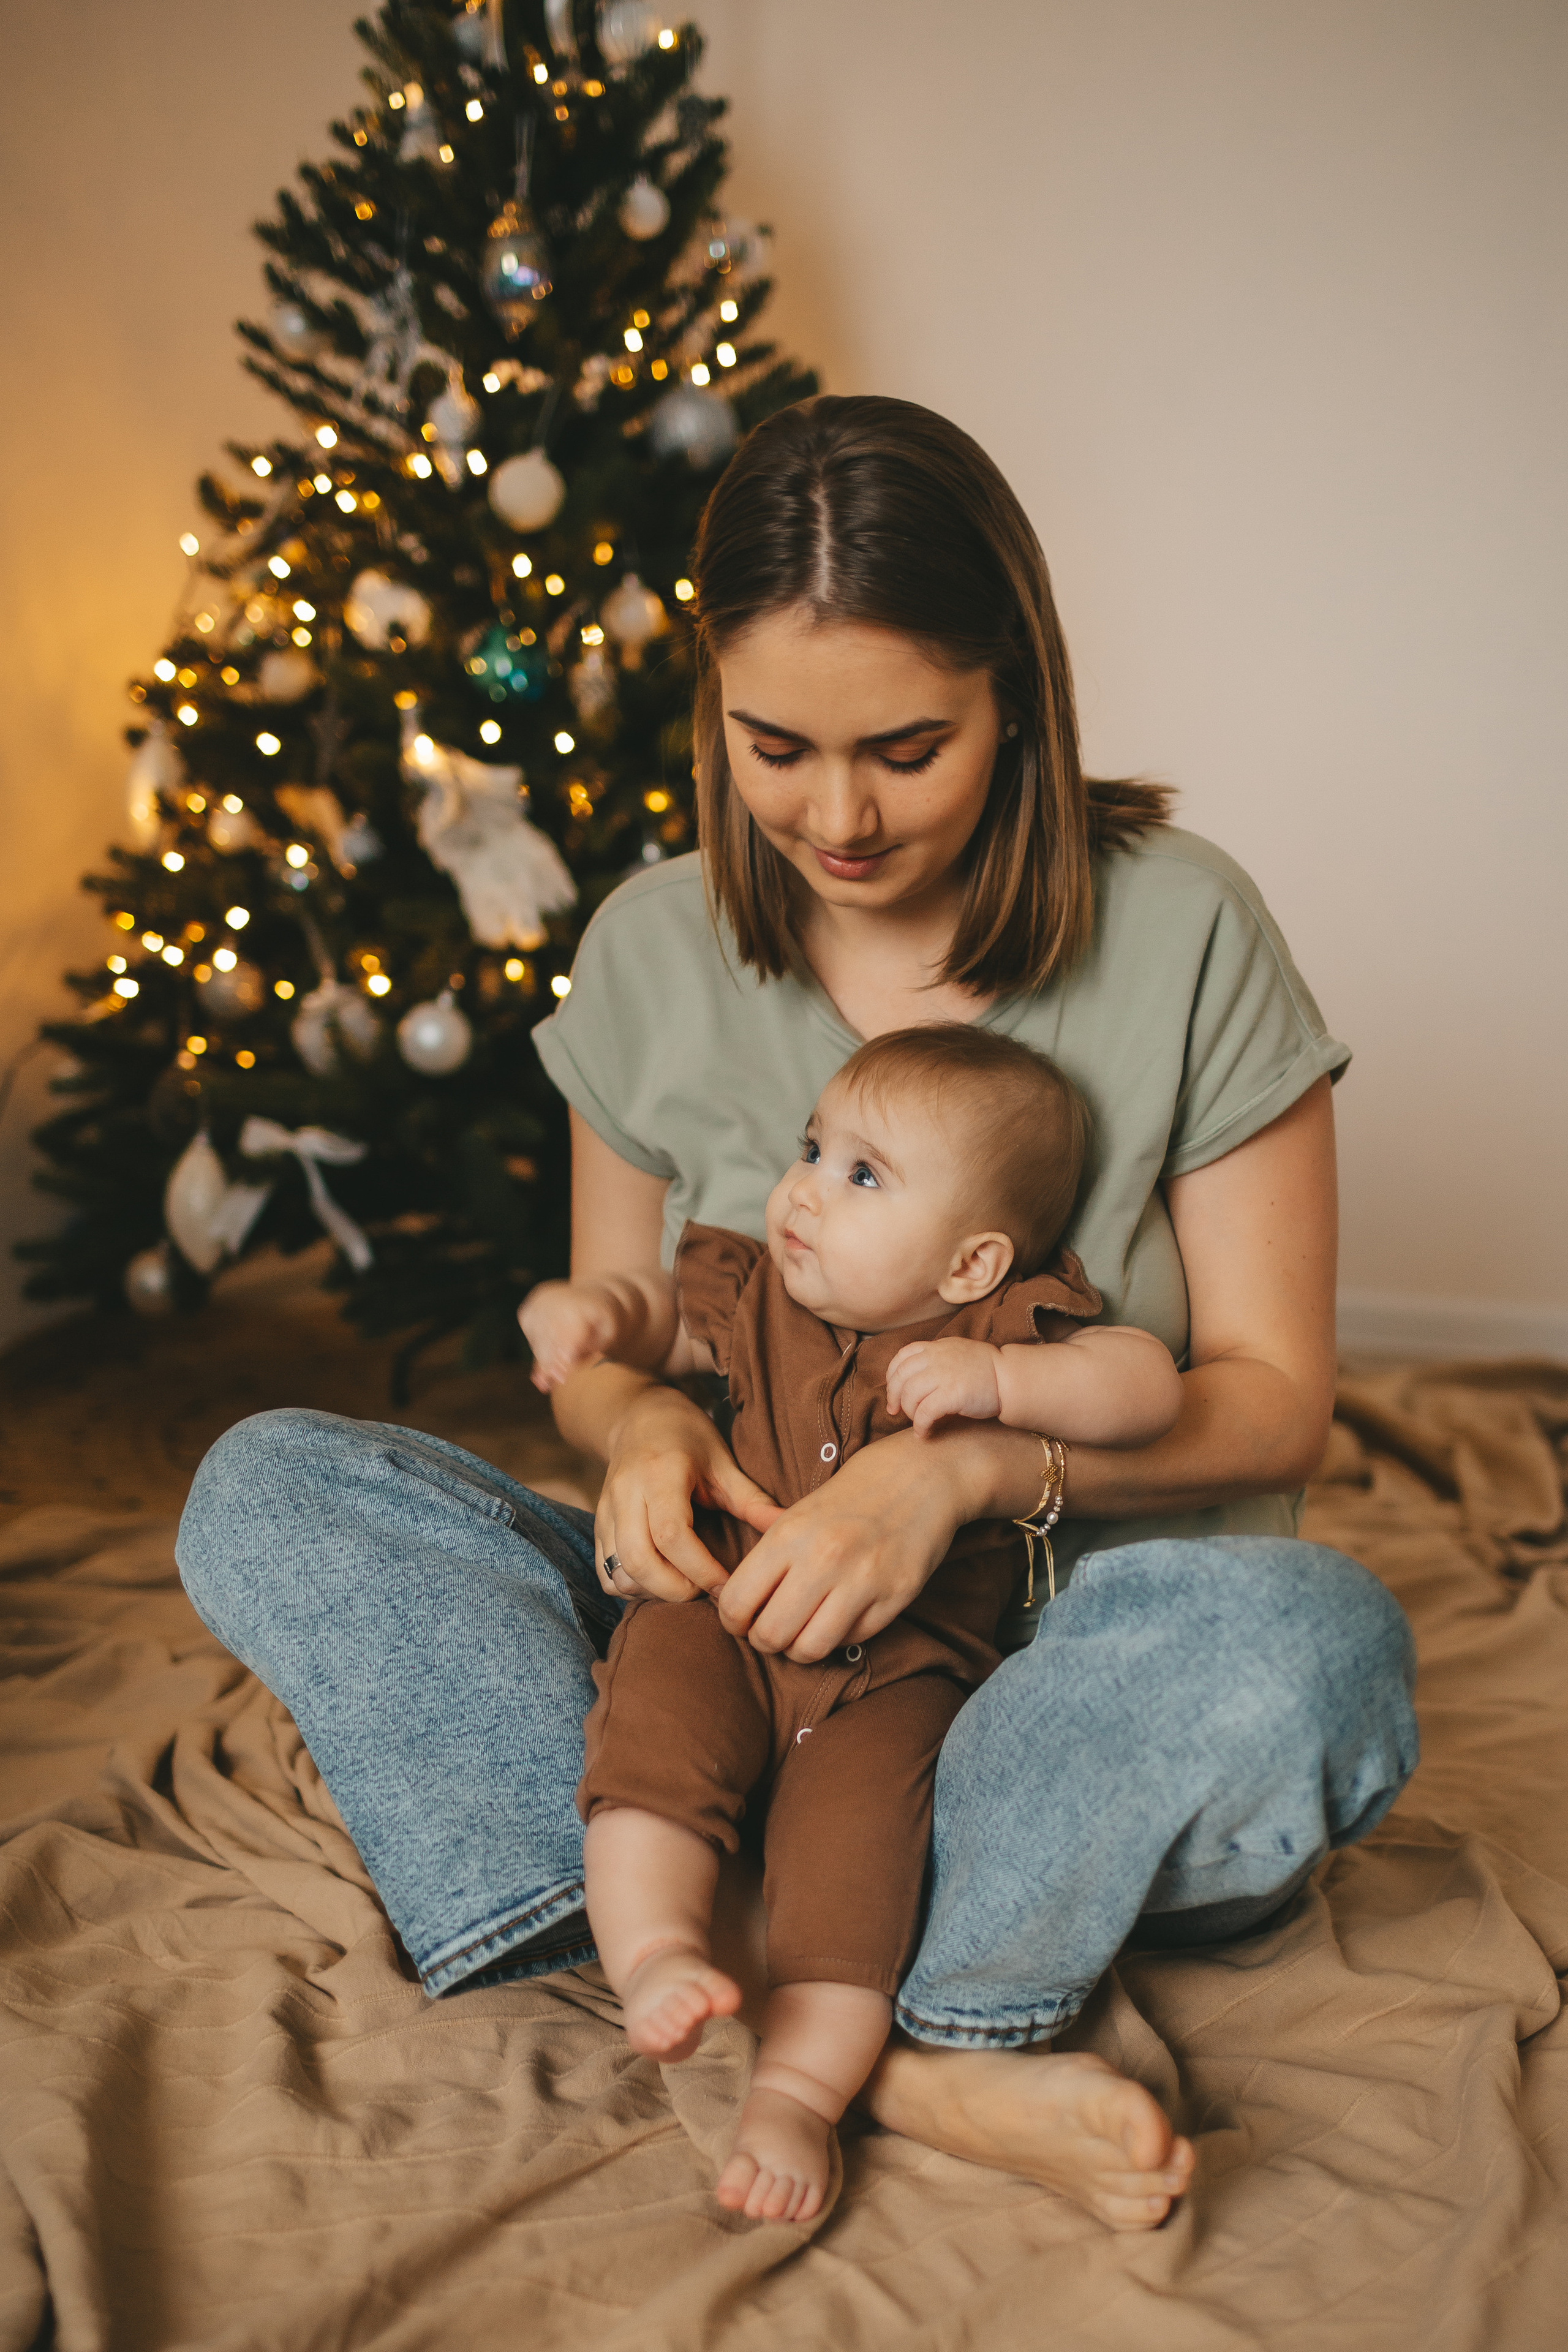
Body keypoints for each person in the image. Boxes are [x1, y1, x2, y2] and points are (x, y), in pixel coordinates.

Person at [176, 394, 1418, 2236]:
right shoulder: (654, 944)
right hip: (717, 1660)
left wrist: (967, 1477)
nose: (838, 817)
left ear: (1018, 690)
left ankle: (820, 1986)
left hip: (1028, 1688)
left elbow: (1271, 1405)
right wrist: (646, 1431)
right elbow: (619, 1359)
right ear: (712, 707)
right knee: (264, 1485)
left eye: (908, 749)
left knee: (1313, 1647)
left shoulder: (1188, 930)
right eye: (778, 748)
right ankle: (894, 2052)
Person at [521, 1025, 1183, 2222]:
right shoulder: (757, 1288)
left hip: (893, 1680)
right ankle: (656, 1950)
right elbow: (652, 1316)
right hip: (715, 1611)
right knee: (645, 1764)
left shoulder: (991, 1332)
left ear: (974, 1261)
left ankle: (796, 2097)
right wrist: (586, 1316)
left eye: (860, 1176)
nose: (804, 1191)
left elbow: (1144, 1382)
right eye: (811, 1149)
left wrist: (1004, 1394)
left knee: (854, 1890)